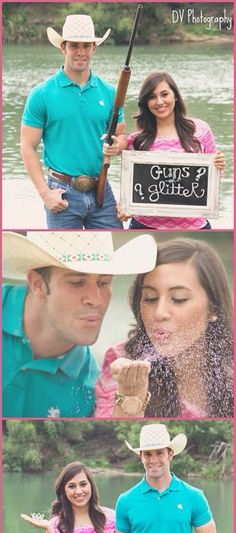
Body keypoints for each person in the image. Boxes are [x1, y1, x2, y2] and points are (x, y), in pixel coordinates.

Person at [2, 230, 157, 418]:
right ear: (37, 284)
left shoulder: (90, 391)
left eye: (103, 282)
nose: (96, 300)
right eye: (76, 282)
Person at [95, 237, 233, 418]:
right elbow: (115, 437)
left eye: (179, 299)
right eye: (150, 298)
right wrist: (131, 393)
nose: (159, 313)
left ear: (212, 308)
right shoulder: (122, 360)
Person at [20, 14, 125, 229]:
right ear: (63, 48)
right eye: (74, 45)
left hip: (101, 192)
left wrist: (118, 145)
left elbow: (122, 138)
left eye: (86, 46)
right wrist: (45, 194)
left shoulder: (111, 93)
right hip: (62, 194)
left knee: (112, 254)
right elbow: (27, 147)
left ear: (94, 48)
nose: (80, 52)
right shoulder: (41, 94)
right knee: (63, 262)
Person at [103, 71, 225, 230]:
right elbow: (132, 186)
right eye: (152, 97)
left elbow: (215, 177)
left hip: (195, 227)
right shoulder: (138, 139)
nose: (159, 102)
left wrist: (219, 165)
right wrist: (125, 206)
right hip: (145, 226)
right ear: (146, 102)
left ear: (175, 96)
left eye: (164, 94)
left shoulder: (201, 130)